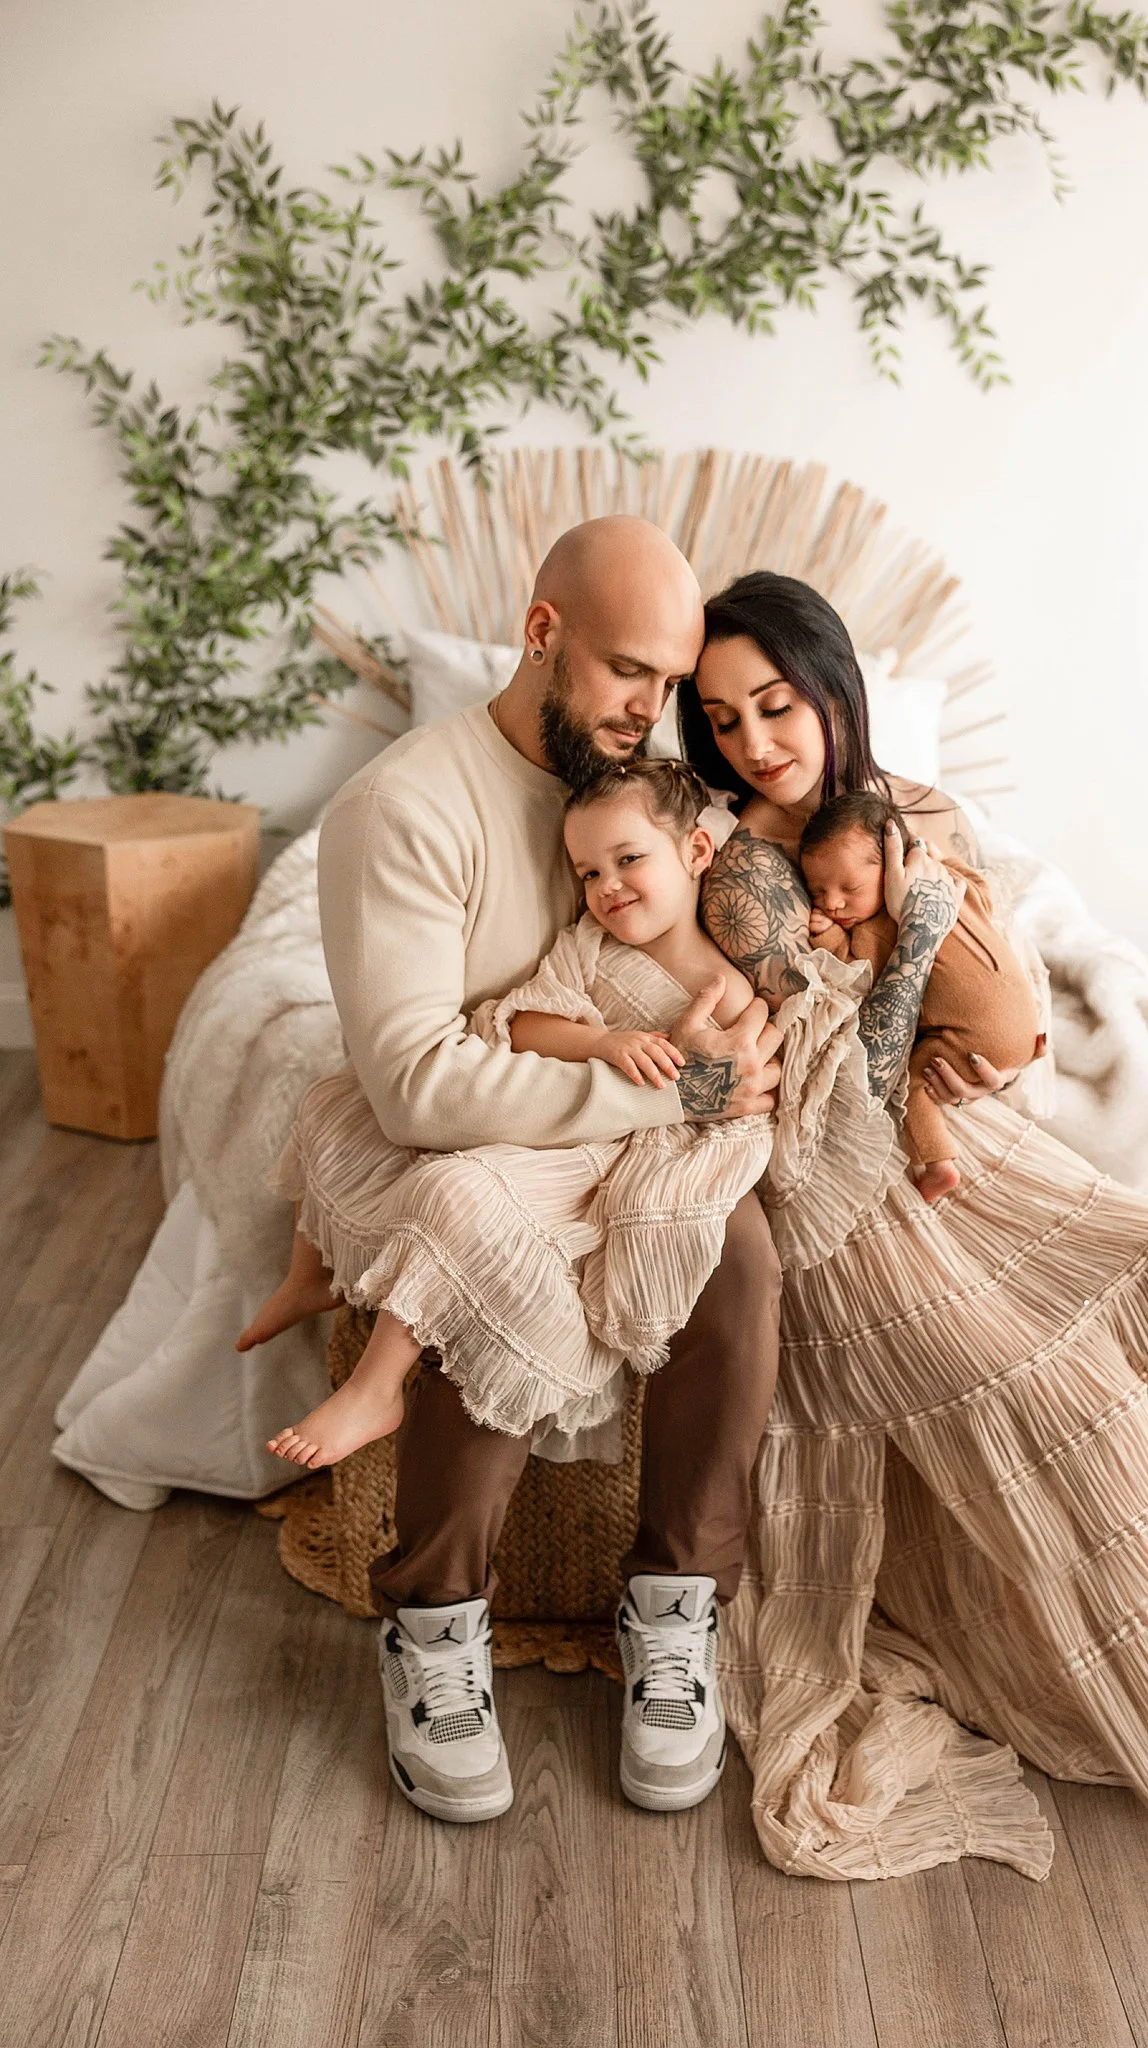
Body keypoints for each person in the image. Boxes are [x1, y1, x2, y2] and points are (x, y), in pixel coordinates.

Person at [677, 569, 1148, 1944]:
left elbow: (1005, 1016)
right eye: (721, 720)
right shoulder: (744, 869)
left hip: (968, 1142)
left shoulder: (918, 812)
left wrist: (950, 995)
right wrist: (923, 987)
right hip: (842, 1192)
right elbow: (841, 1058)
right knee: (1074, 1405)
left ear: (830, 686)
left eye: (775, 704)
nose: (758, 741)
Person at [293, 519, 783, 1826]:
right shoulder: (401, 811)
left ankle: (678, 1609)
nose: (651, 710)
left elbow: (744, 913)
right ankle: (434, 1622)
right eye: (631, 670)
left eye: (671, 682)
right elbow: (416, 1086)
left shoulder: (646, 784)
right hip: (459, 1128)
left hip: (632, 1119)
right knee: (479, 1246)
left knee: (735, 1261)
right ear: (541, 631)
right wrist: (668, 1090)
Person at [798, 788, 1040, 1201]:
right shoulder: (954, 884)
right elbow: (982, 889)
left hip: (979, 1045)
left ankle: (937, 1163)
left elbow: (863, 974)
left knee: (913, 1081)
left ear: (894, 863)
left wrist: (833, 935)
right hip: (1027, 1025)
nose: (833, 901)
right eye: (818, 892)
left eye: (849, 887)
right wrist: (939, 861)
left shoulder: (879, 930)